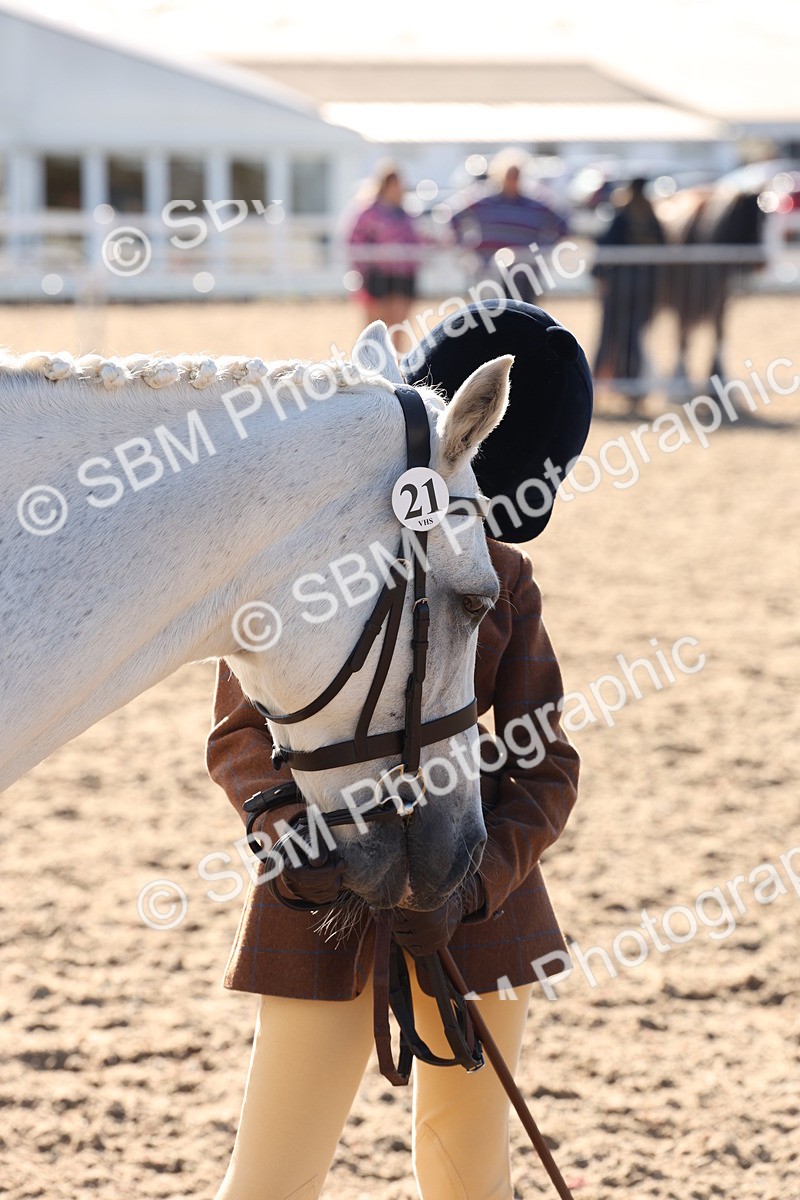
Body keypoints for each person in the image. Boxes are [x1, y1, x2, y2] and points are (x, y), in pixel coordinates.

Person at [206, 301, 593, 1200]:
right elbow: (240, 737)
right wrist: (295, 846)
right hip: (323, 901)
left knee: (466, 1176)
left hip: (475, 913)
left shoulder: (505, 580)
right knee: (270, 1175)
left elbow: (545, 762)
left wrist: (476, 884)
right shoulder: (309, 566)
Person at [450, 150, 568, 303]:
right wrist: (466, 246)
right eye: (510, 175)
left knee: (524, 316)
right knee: (489, 316)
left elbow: (563, 224)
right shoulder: (482, 201)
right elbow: (454, 217)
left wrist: (542, 248)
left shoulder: (537, 204)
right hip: (488, 273)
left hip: (525, 273)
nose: (513, 180)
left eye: (516, 175)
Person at [592, 176, 666, 410]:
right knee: (633, 335)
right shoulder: (651, 217)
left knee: (612, 334)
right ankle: (630, 387)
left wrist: (600, 275)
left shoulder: (623, 216)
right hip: (645, 285)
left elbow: (605, 246)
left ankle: (603, 383)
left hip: (621, 285)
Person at [346, 162, 423, 347]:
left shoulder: (407, 214)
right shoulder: (368, 212)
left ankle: (397, 365)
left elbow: (418, 241)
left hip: (402, 275)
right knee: (373, 327)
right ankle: (368, 364)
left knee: (399, 326)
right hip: (376, 274)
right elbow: (354, 241)